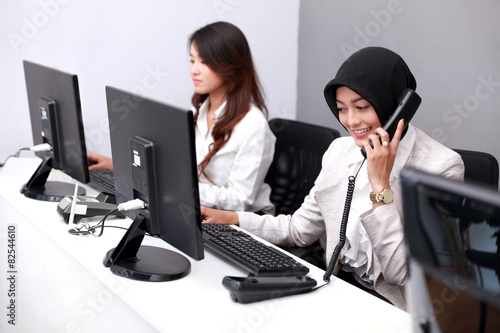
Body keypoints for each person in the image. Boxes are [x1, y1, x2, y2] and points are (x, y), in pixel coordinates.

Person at [200, 46, 465, 310]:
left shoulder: (442, 167)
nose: (351, 121)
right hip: (338, 289)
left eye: (362, 106)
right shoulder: (341, 151)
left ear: (397, 106)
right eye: (341, 108)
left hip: (395, 309)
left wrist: (380, 185)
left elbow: (403, 273)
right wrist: (231, 219)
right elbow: (299, 229)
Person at [89, 21, 275, 214]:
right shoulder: (198, 112)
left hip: (239, 226)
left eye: (204, 62)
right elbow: (175, 170)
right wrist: (120, 167)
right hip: (196, 209)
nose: (194, 70)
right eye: (192, 60)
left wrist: (175, 187)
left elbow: (239, 201)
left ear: (232, 66)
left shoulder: (254, 126)